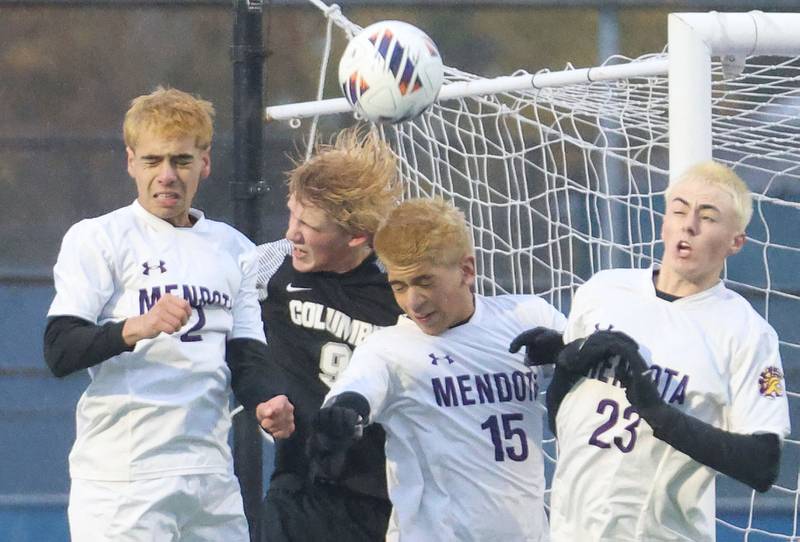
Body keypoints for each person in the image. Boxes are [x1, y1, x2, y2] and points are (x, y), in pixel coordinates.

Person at [43, 86, 293, 541]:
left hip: (210, 477)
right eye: (152, 161)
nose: (167, 176)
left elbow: (246, 355)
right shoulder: (99, 238)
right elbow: (60, 349)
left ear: (205, 163)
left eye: (181, 160)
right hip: (124, 479)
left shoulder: (232, 247)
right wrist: (136, 327)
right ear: (130, 162)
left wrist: (268, 399)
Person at [515, 161, 791, 541]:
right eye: (679, 210)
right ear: (664, 220)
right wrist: (566, 360)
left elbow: (763, 464)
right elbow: (563, 421)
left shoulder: (746, 333)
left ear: (735, 242)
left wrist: (658, 414)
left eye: (708, 217)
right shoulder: (603, 290)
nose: (688, 225)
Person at [309, 198, 566, 542]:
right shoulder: (389, 349)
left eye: (424, 282)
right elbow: (355, 394)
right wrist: (342, 417)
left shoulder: (528, 317)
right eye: (399, 286)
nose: (413, 301)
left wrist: (567, 351)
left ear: (467, 270)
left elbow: (597, 365)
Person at [253, 128, 404, 542]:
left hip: (388, 499)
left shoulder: (402, 291)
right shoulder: (266, 268)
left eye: (309, 225)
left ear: (357, 236)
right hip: (299, 491)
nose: (291, 234)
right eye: (291, 214)